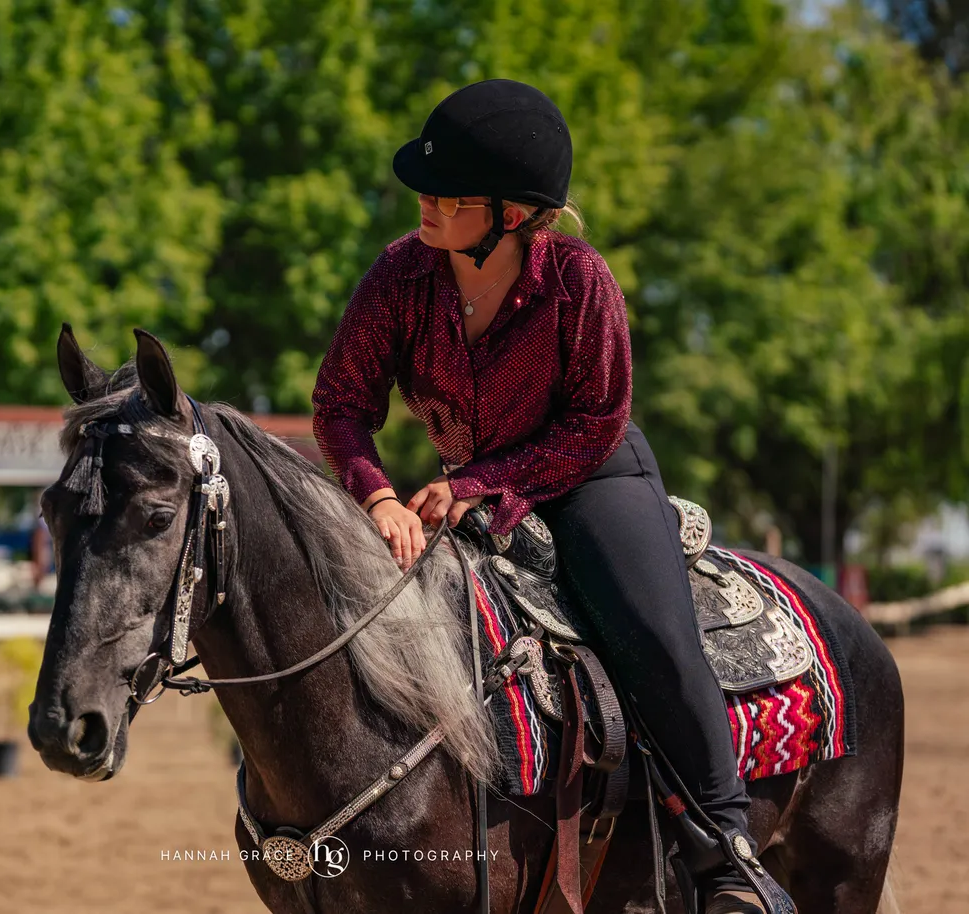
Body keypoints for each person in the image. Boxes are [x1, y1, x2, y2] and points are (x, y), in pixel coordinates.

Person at [311, 79, 788, 914]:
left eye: (450, 193)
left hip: (592, 478)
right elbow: (342, 404)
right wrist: (379, 496)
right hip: (457, 494)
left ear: (512, 212)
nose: (424, 201)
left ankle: (729, 857)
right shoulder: (398, 274)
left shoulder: (580, 278)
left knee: (653, 634)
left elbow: (598, 419)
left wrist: (477, 485)